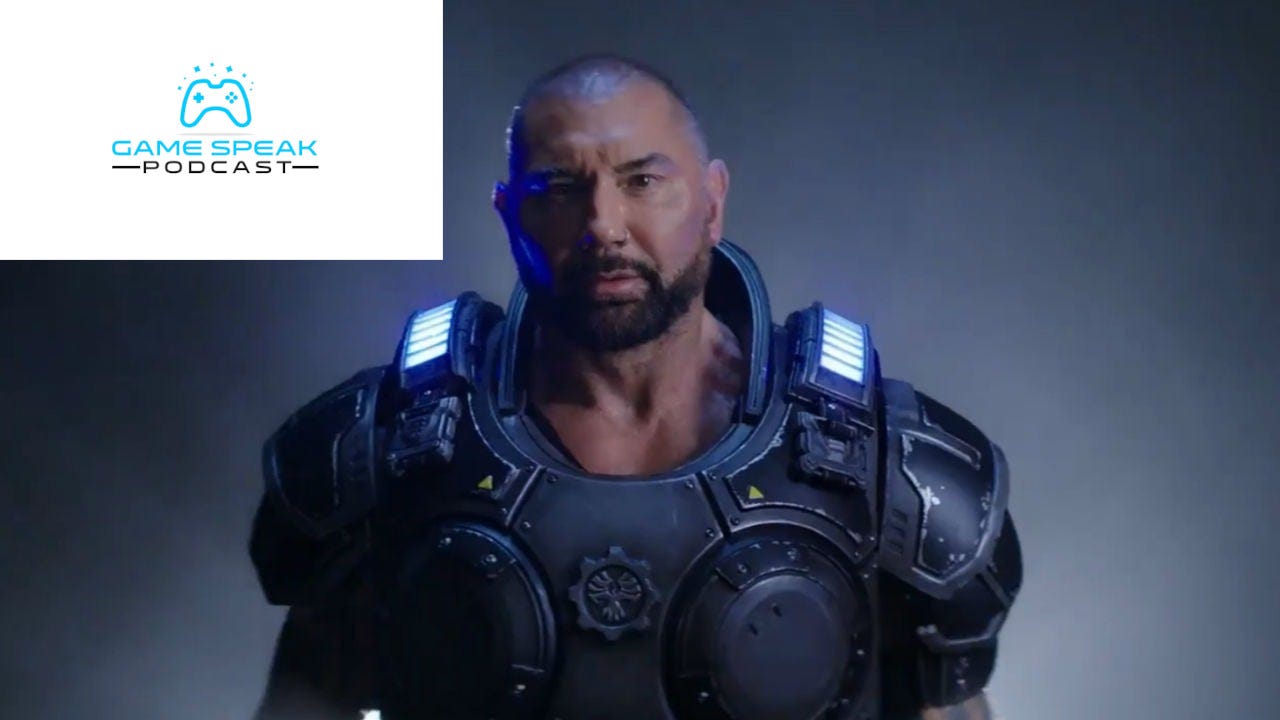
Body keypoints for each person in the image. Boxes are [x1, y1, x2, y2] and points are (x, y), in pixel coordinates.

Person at [249, 54, 1023, 720]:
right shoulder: (386, 447)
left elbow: (945, 708)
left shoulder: (881, 461)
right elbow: (306, 699)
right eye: (559, 188)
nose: (605, 225)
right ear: (509, 213)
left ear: (712, 202)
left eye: (643, 180)